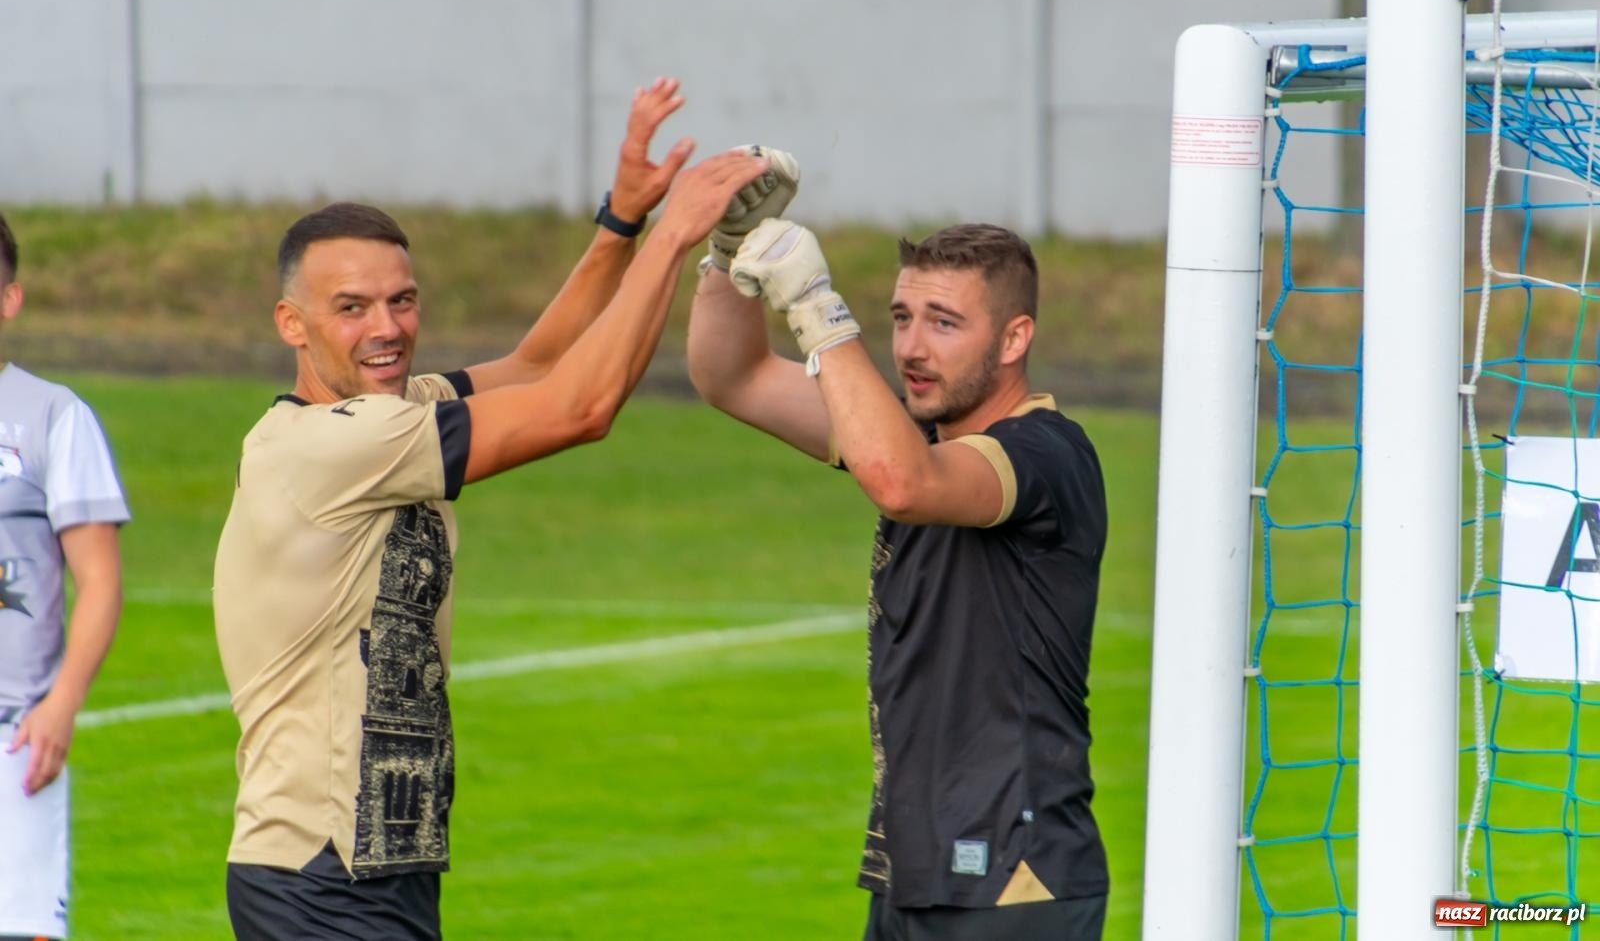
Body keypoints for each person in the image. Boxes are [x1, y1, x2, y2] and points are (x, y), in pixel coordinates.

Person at [212, 79, 773, 941]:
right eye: (351, 307)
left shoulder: (392, 414)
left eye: (402, 299)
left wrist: (621, 223)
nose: (387, 326)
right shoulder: (325, 446)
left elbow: (544, 361)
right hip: (316, 873)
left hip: (381, 864)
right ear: (293, 323)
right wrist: (674, 238)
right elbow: (579, 408)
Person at [688, 208, 1109, 940]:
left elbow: (902, 482)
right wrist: (731, 250)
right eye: (901, 316)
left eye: (943, 322)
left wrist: (818, 307)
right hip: (915, 871)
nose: (912, 346)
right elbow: (733, 375)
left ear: (1015, 338)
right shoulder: (911, 437)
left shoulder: (1047, 454)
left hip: (1014, 877)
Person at [0, 213, 130, 941]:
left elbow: (100, 580)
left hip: (14, 738)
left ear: (9, 299)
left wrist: (62, 703)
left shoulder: (54, 415)